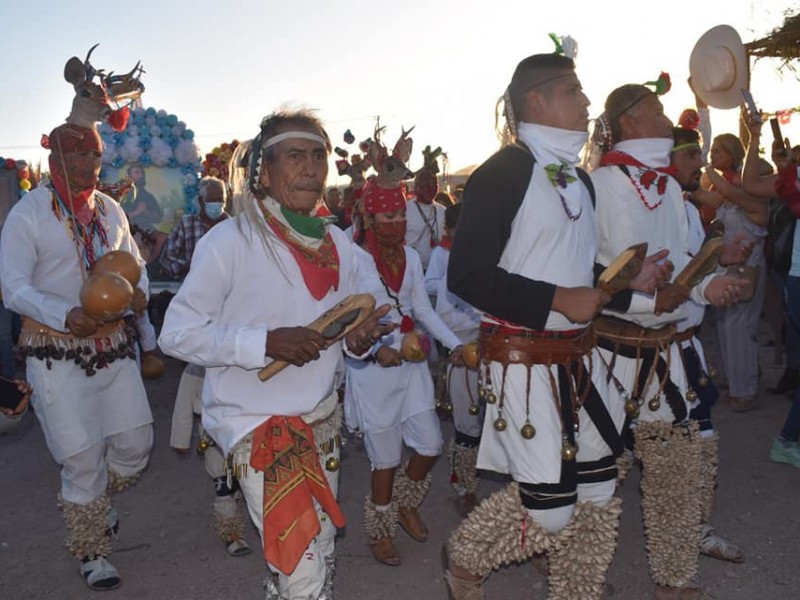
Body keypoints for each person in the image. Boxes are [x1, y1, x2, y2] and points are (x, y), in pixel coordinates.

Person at [441, 48, 666, 600]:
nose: (588, 101)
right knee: (551, 509)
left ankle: (575, 589)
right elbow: (466, 276)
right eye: (573, 91)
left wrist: (619, 283)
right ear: (536, 100)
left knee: (597, 487)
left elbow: (571, 266)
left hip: (577, 357)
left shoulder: (580, 181)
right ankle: (465, 556)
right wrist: (561, 298)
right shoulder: (503, 172)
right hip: (524, 359)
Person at [158, 109, 392, 600]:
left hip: (321, 420)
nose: (309, 167)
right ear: (264, 172)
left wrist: (363, 329)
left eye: (317, 156)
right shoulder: (230, 241)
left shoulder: (339, 244)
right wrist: (264, 342)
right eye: (294, 156)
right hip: (256, 424)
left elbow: (374, 295)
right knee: (304, 562)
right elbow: (176, 334)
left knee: (321, 545)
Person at [589, 81, 746, 600]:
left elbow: (688, 266)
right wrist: (642, 303)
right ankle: (575, 573)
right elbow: (578, 274)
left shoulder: (673, 191)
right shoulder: (599, 186)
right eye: (654, 108)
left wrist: (709, 286)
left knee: (676, 478)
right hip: (607, 356)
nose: (663, 116)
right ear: (628, 120)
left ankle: (673, 583)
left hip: (668, 355)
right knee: (593, 478)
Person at [0, 122, 153, 591]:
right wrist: (62, 313)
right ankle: (92, 549)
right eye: (78, 156)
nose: (89, 164)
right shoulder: (28, 215)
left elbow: (134, 268)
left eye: (95, 156)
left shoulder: (110, 210)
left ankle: (94, 501)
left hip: (113, 346)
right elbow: (13, 287)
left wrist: (142, 306)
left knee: (135, 445)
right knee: (81, 457)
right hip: (54, 352)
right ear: (55, 162)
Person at [344, 178, 464, 567]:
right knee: (386, 458)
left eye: (400, 214)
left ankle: (404, 503)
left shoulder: (412, 257)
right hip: (372, 369)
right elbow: (345, 320)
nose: (396, 222)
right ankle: (380, 530)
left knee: (430, 444)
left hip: (411, 365)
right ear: (369, 216)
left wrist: (455, 344)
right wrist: (378, 349)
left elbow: (422, 310)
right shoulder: (352, 259)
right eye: (387, 215)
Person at [670, 122, 746, 563]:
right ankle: (563, 538)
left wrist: (722, 257)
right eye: (691, 156)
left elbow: (693, 268)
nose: (700, 163)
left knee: (702, 441)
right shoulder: (656, 206)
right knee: (608, 457)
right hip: (649, 353)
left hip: (685, 345)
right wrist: (708, 279)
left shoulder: (683, 206)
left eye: (701, 153)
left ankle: (696, 530)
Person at [739, 114, 800, 469]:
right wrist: (756, 136)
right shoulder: (791, 179)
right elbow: (748, 185)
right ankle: (788, 439)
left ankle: (788, 439)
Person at [701, 133, 769, 412]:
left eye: (719, 150)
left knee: (740, 329)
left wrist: (703, 167)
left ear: (732, 153)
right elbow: (708, 197)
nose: (714, 155)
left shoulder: (749, 197)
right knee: (724, 327)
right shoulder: (728, 190)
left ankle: (746, 390)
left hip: (748, 268)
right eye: (712, 150)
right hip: (729, 267)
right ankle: (735, 381)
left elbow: (728, 194)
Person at [425, 203, 483, 516]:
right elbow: (433, 297)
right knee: (466, 420)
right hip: (461, 345)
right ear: (449, 230)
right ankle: (464, 487)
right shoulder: (441, 256)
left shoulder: (490, 254)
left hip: (489, 343)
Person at [160, 176, 230, 279]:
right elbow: (167, 258)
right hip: (194, 285)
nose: (217, 203)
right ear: (201, 201)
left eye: (221, 200)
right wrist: (188, 266)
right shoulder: (187, 224)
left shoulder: (232, 227)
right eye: (212, 200)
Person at [405, 162, 445, 270]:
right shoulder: (405, 210)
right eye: (425, 186)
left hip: (435, 270)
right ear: (416, 187)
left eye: (434, 186)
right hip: (411, 269)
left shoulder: (443, 211)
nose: (431, 189)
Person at [124, 164, 163, 231]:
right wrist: (136, 212)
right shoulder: (123, 196)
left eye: (142, 173)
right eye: (136, 173)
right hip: (127, 231)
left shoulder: (148, 196)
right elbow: (118, 217)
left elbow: (158, 217)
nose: (141, 176)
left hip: (147, 232)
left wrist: (147, 213)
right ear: (129, 176)